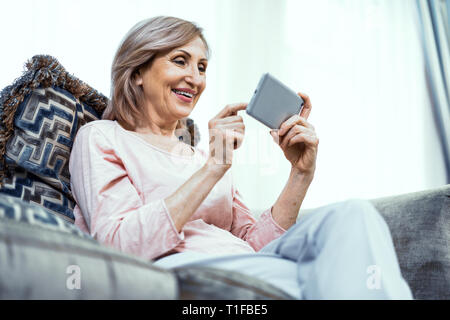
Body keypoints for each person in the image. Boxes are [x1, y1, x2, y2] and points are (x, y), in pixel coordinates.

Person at [69, 16, 413, 299]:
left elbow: (253, 244)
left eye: (202, 67)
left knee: (353, 215)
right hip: (182, 274)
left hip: (250, 266)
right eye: (180, 61)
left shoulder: (202, 156)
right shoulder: (102, 137)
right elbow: (116, 246)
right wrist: (214, 167)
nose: (195, 78)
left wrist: (300, 174)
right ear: (138, 71)